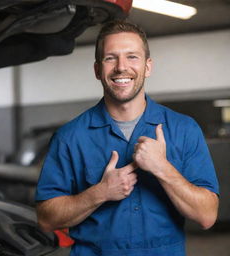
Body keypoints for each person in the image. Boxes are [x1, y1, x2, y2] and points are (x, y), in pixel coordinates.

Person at [35, 20, 219, 256]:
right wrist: (100, 192)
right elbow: (46, 219)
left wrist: (162, 168)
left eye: (132, 57)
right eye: (111, 58)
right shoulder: (70, 136)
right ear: (97, 70)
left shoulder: (184, 129)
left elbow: (207, 216)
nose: (122, 67)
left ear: (148, 66)